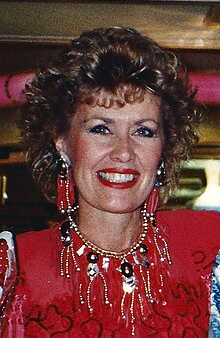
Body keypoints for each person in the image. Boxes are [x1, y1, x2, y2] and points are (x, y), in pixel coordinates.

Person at [0, 26, 219, 337]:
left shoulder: (210, 249)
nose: (124, 152)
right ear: (62, 142)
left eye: (144, 131)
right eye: (101, 129)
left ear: (164, 148)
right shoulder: (12, 270)